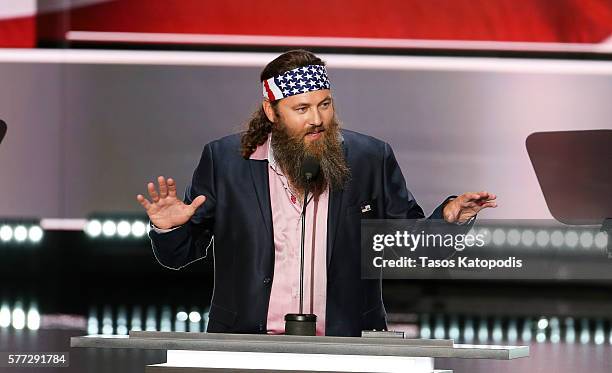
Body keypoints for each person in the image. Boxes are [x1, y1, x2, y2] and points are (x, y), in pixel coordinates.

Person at [136, 50, 497, 337]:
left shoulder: (370, 157)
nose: (317, 119)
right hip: (245, 342)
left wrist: (450, 218)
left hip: (347, 344)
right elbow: (180, 255)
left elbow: (405, 245)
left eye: (324, 104)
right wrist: (171, 229)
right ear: (271, 112)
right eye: (302, 108)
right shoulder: (226, 161)